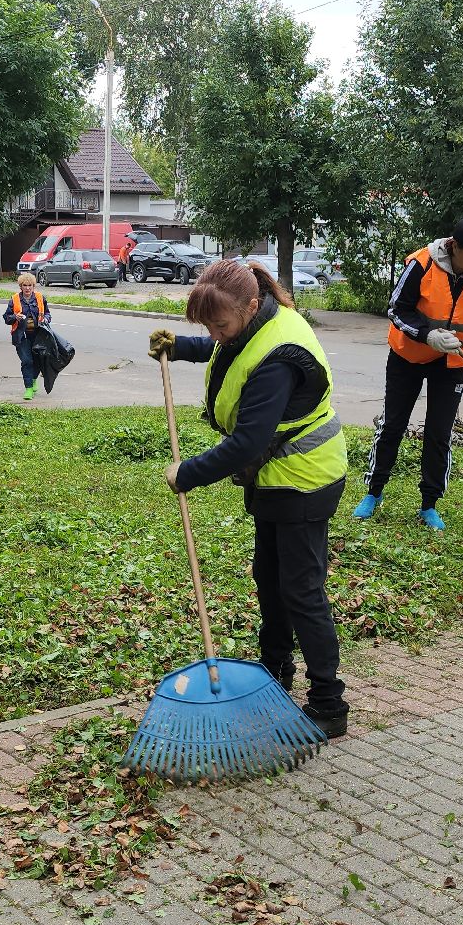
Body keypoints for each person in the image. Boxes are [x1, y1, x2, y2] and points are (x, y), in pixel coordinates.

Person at [147, 260, 351, 738]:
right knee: (270, 578)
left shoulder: (281, 359)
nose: (215, 334)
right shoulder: (254, 321)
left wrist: (187, 473)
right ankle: (275, 673)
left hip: (304, 477)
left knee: (301, 592)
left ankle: (328, 702)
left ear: (251, 306)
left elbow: (246, 443)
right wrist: (181, 347)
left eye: (218, 325)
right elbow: (231, 352)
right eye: (206, 327)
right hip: (275, 479)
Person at [354, 215, 463, 530]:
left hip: (453, 363)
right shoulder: (421, 264)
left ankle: (429, 504)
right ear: (455, 246)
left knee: (439, 433)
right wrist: (426, 334)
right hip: (409, 357)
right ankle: (374, 492)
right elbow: (396, 309)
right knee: (392, 426)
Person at [3, 274, 51, 400]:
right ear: (21, 286)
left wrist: (46, 318)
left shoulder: (40, 298)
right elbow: (6, 318)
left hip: (38, 335)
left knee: (38, 360)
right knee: (27, 361)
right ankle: (28, 388)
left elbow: (47, 313)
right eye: (25, 285)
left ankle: (34, 379)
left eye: (30, 285)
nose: (28, 288)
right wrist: (15, 317)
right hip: (21, 336)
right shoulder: (14, 299)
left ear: (33, 286)